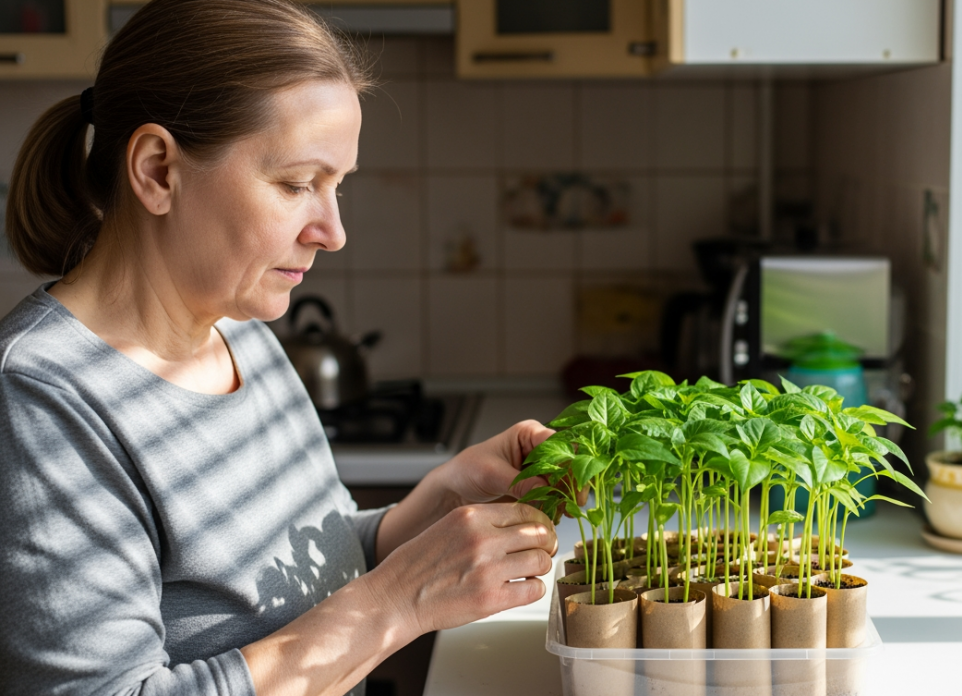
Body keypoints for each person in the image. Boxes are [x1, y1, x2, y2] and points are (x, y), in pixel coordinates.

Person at [0, 1, 559, 694]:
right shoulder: (42, 397)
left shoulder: (243, 336)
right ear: (157, 170)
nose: (332, 230)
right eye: (297, 184)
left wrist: (443, 500)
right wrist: (399, 600)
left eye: (336, 187)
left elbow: (308, 573)